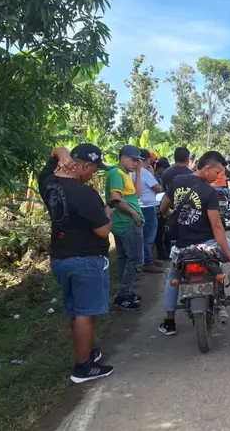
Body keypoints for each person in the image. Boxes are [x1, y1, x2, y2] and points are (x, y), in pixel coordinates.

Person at [38, 144, 114, 383]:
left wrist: (60, 151)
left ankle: (87, 351)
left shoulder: (47, 182)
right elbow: (103, 231)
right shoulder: (85, 194)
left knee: (75, 309)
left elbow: (54, 153)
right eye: (93, 169)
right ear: (84, 166)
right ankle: (82, 367)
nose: (93, 174)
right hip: (85, 260)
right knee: (85, 313)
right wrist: (108, 214)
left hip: (61, 258)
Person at [157, 150, 230, 336]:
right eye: (217, 173)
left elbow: (163, 208)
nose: (218, 178)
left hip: (181, 247)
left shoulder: (177, 182)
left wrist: (171, 216)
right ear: (207, 168)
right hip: (208, 245)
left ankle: (169, 322)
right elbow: (217, 227)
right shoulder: (209, 192)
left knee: (172, 279)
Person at [105, 145, 144, 311]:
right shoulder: (116, 173)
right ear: (123, 158)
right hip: (127, 224)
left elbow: (137, 195)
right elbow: (115, 198)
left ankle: (125, 292)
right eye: (133, 159)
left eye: (138, 160)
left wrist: (139, 173)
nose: (136, 163)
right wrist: (133, 213)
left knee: (124, 258)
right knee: (135, 260)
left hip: (123, 224)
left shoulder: (125, 174)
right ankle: (124, 294)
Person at [131, 148, 163, 274]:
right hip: (148, 207)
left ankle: (147, 259)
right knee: (148, 237)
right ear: (146, 160)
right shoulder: (144, 172)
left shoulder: (131, 172)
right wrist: (153, 174)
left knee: (143, 235)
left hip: (139, 206)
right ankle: (147, 262)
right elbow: (158, 188)